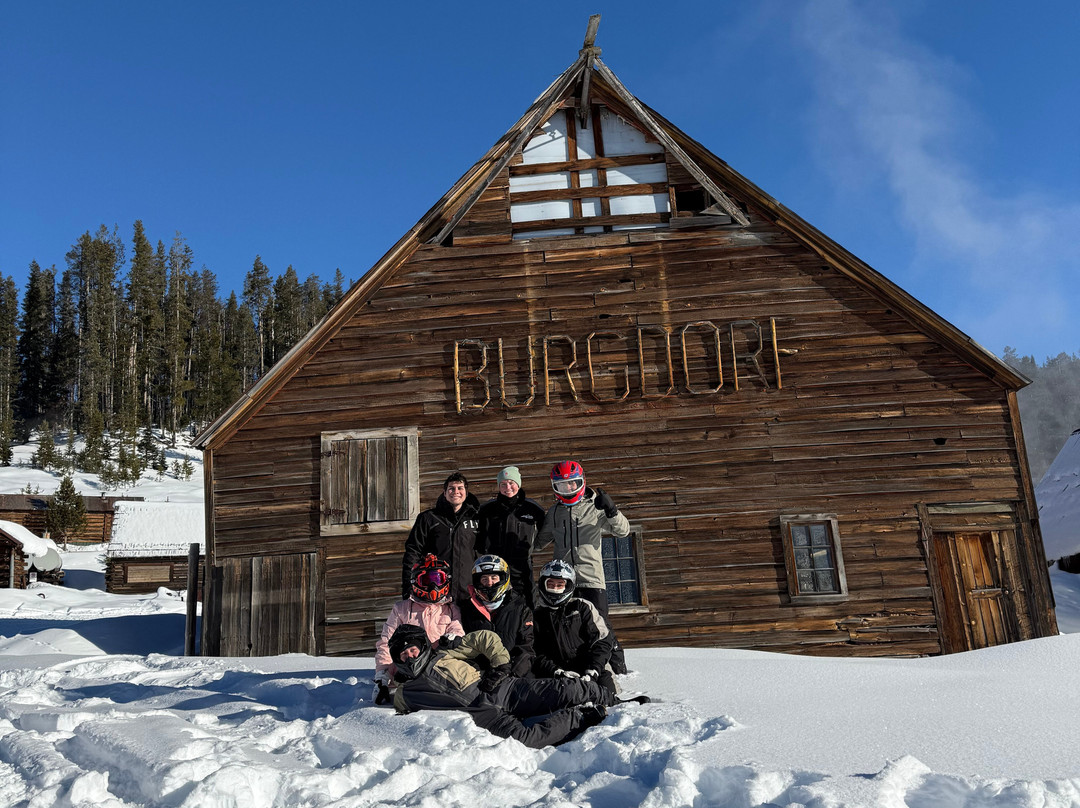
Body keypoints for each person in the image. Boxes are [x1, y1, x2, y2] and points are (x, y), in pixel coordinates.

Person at [389, 624, 609, 748]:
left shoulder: (445, 653)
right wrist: (385, 685)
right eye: (404, 654)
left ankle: (611, 700)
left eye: (413, 650)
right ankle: (582, 716)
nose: (410, 656)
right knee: (526, 741)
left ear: (422, 647)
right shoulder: (406, 693)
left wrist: (500, 666)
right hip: (484, 718)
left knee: (567, 689)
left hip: (503, 690)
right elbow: (388, 717)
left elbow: (485, 637)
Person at [535, 460, 630, 672]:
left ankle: (617, 668)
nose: (568, 489)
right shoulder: (555, 512)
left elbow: (623, 531)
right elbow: (538, 542)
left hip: (591, 576)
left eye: (572, 484)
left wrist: (612, 510)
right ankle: (576, 664)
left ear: (581, 482)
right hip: (564, 579)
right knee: (566, 623)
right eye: (562, 485)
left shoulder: (596, 506)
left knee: (602, 624)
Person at [373, 554, 464, 705]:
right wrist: (382, 675)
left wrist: (452, 638)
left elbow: (457, 631)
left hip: (438, 672)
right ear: (416, 582)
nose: (433, 586)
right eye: (427, 581)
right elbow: (386, 643)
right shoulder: (401, 609)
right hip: (407, 673)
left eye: (438, 580)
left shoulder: (451, 610)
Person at [531, 560, 618, 698]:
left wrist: (593, 669)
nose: (555, 589)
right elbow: (535, 652)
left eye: (560, 585)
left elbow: (602, 640)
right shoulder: (537, 615)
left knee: (607, 698)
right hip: (556, 674)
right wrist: (555, 671)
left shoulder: (582, 607)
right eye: (551, 584)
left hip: (590, 669)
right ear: (543, 584)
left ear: (569, 586)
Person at [401, 472, 480, 603]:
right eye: (451, 488)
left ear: (466, 492)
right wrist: (409, 588)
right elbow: (412, 553)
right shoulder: (428, 519)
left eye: (460, 488)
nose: (456, 492)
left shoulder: (477, 519)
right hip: (436, 591)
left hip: (468, 593)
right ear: (444, 492)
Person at [475, 466, 546, 608]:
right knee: (497, 606)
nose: (508, 487)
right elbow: (478, 538)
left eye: (511, 483)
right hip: (495, 571)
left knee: (526, 605)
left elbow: (545, 532)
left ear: (518, 484)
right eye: (503, 484)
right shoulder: (487, 510)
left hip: (522, 569)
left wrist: (532, 548)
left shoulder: (532, 509)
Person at [458, 554, 534, 677]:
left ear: (503, 578)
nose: (489, 583)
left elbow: (526, 648)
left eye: (494, 578)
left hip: (513, 675)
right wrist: (476, 673)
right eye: (484, 579)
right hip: (477, 676)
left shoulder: (520, 608)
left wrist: (511, 673)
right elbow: (463, 647)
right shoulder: (467, 608)